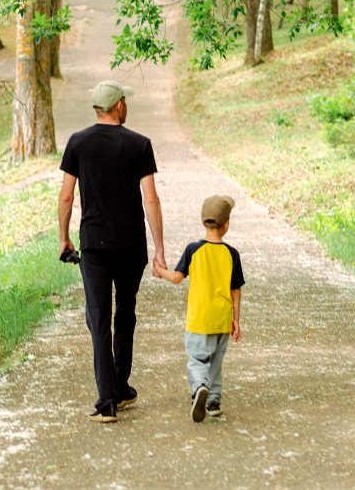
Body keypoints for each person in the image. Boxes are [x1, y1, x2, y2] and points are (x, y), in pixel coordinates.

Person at [58, 80, 166, 423]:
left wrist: (64, 237)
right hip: (131, 245)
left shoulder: (78, 143)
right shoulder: (139, 144)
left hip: (93, 246)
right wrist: (159, 247)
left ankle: (108, 401)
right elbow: (150, 198)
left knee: (99, 319)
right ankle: (120, 386)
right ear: (118, 106)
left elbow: (66, 197)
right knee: (125, 314)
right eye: (124, 101)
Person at [154, 195, 244, 423]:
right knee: (215, 362)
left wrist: (160, 270)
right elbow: (235, 290)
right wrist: (236, 320)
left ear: (203, 223)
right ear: (227, 224)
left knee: (197, 360)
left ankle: (199, 386)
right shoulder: (232, 254)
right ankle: (213, 402)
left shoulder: (193, 250)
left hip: (199, 320)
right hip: (222, 320)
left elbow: (176, 278)